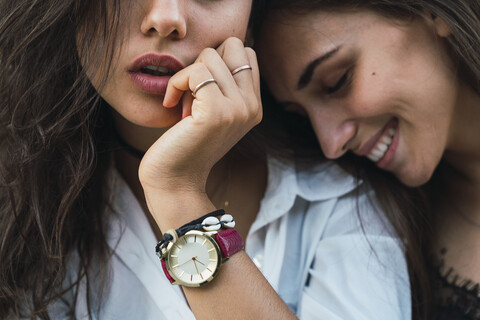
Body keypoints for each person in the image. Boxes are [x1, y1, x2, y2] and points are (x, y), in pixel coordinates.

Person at [0, 0, 410, 319]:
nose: (165, 18)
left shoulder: (338, 195)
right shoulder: (18, 200)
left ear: (250, 19)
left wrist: (178, 194)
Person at [256, 0, 480, 319]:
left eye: (336, 82)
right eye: (303, 116)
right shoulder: (375, 227)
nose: (331, 144)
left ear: (431, 12)